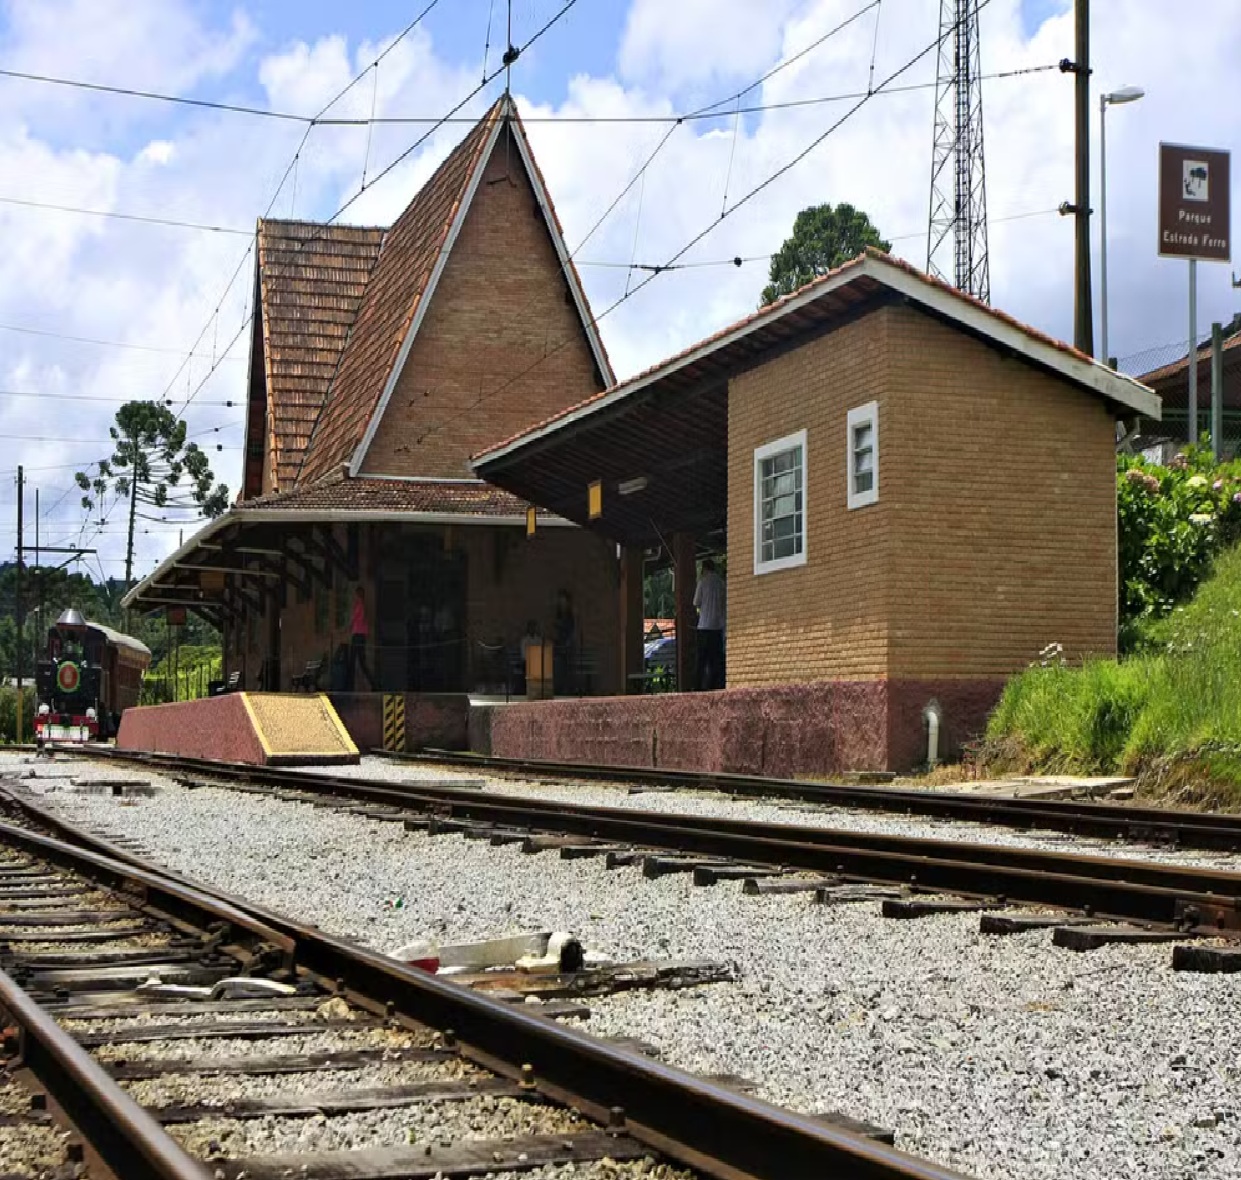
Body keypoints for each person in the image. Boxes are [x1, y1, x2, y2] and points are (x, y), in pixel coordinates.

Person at [693, 558, 726, 691]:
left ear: (704, 569)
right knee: (715, 660)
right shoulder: (721, 583)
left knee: (701, 660)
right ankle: (715, 686)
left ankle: (698, 687)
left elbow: (696, 602)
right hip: (717, 626)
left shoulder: (703, 581)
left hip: (704, 625)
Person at [349, 586, 373, 691]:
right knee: (360, 661)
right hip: (360, 634)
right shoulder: (361, 605)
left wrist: (348, 627)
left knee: (354, 660)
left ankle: (350, 686)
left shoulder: (360, 606)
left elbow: (355, 619)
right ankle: (372, 683)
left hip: (358, 634)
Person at [553, 591, 575, 695]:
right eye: (560, 600)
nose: (561, 602)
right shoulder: (558, 614)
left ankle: (566, 690)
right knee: (559, 667)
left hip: (567, 645)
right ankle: (559, 688)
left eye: (563, 600)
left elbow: (571, 630)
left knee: (566, 668)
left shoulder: (569, 615)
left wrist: (568, 643)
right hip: (559, 645)